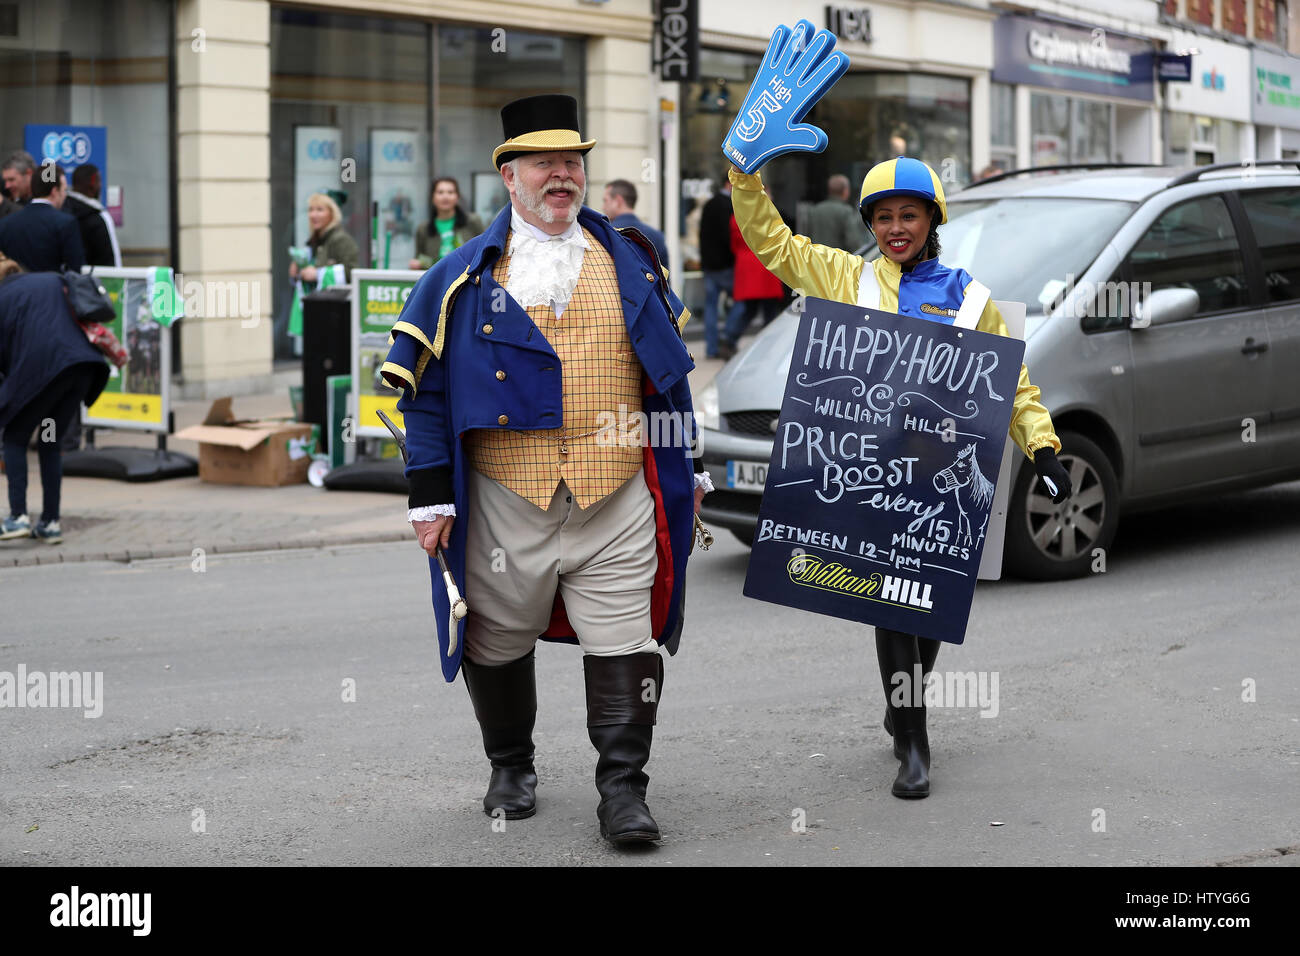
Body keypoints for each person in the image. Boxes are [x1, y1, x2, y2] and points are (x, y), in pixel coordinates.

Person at [381, 94, 708, 845]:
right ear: (510, 176)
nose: (561, 175)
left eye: (573, 161)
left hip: (616, 492)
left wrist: (688, 466)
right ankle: (511, 763)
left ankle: (623, 789)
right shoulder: (461, 277)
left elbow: (669, 377)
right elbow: (425, 397)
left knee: (626, 640)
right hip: (505, 497)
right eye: (543, 162)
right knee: (495, 638)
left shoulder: (633, 259)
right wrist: (429, 499)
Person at [729, 154, 1073, 799]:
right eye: (882, 216)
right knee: (892, 604)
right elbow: (773, 245)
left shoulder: (970, 298)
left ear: (931, 219)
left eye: (907, 214)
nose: (895, 227)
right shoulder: (845, 276)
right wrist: (746, 179)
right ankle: (913, 742)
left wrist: (1044, 450)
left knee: (932, 611)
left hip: (944, 480)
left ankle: (902, 706)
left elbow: (1014, 385)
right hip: (871, 475)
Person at [0, 257, 110, 544]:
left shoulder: (4, 296)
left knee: (14, 436)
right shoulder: (51, 280)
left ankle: (18, 516)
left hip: (46, 373)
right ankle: (50, 522)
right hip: (79, 371)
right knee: (49, 441)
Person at [718, 208, 785, 358]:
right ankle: (768, 349)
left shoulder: (736, 217)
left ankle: (729, 339)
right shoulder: (766, 215)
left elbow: (734, 245)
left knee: (748, 310)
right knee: (769, 313)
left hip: (746, 265)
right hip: (764, 265)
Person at [0, 163, 85, 273]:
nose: (65, 195)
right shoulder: (65, 223)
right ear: (55, 191)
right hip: (54, 288)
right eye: (64, 190)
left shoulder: (6, 224)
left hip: (13, 288)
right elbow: (76, 270)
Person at [698, 173, 742, 358]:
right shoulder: (730, 206)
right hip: (726, 265)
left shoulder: (710, 204)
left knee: (711, 307)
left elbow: (702, 234)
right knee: (742, 301)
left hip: (709, 265)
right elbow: (729, 237)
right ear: (729, 184)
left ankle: (711, 348)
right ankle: (728, 336)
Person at [409, 177, 484, 270]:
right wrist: (418, 264)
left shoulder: (473, 221)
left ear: (457, 197)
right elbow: (419, 259)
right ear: (433, 197)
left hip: (468, 279)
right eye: (440, 192)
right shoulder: (423, 228)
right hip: (437, 280)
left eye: (450, 192)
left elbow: (485, 250)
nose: (445, 196)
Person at [289, 192, 359, 288]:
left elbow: (352, 273)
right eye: (311, 209)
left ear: (332, 213)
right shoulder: (314, 241)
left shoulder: (341, 240)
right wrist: (298, 273)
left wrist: (317, 274)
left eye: (320, 210)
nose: (313, 215)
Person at [601, 178, 670, 272]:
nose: (603, 207)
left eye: (605, 201)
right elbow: (665, 283)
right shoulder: (657, 236)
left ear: (618, 201)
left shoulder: (606, 233)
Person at [66, 165, 122, 267]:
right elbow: (111, 260)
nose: (100, 185)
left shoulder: (62, 211)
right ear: (92, 182)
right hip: (97, 280)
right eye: (99, 181)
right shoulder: (99, 217)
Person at [806, 173, 870, 251]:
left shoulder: (815, 210)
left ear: (829, 190)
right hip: (835, 260)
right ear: (845, 191)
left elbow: (806, 236)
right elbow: (852, 241)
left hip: (816, 258)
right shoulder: (845, 211)